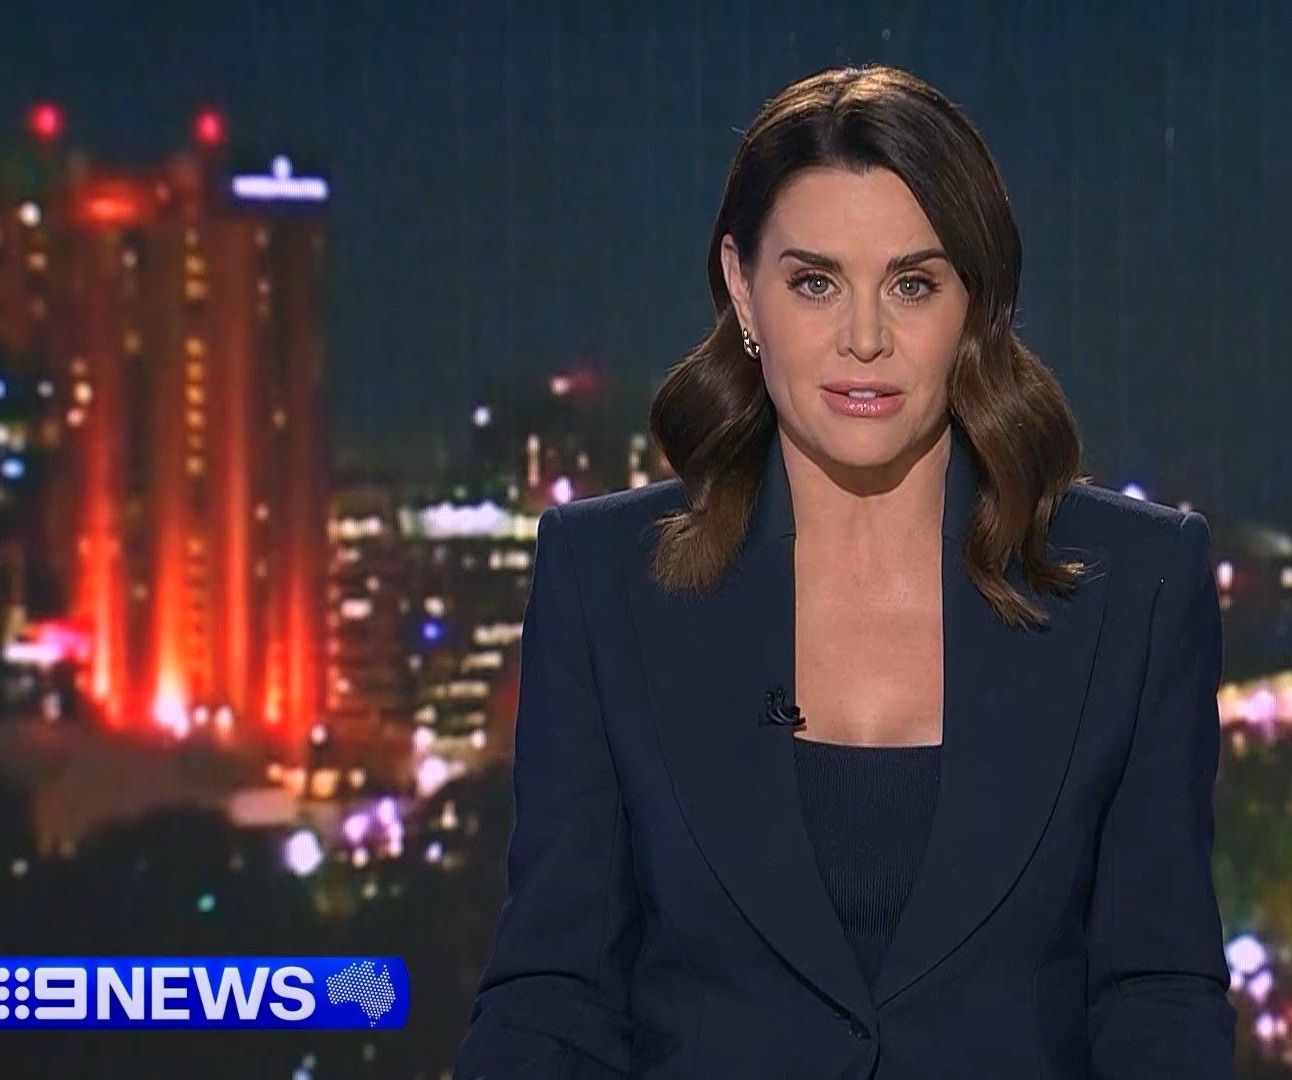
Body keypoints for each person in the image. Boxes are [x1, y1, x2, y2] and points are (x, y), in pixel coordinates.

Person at [455, 63, 1236, 1079]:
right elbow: (555, 999)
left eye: (913, 285)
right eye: (815, 283)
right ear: (743, 288)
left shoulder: (1138, 588)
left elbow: (1158, 993)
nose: (865, 340)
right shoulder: (604, 582)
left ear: (976, 303)